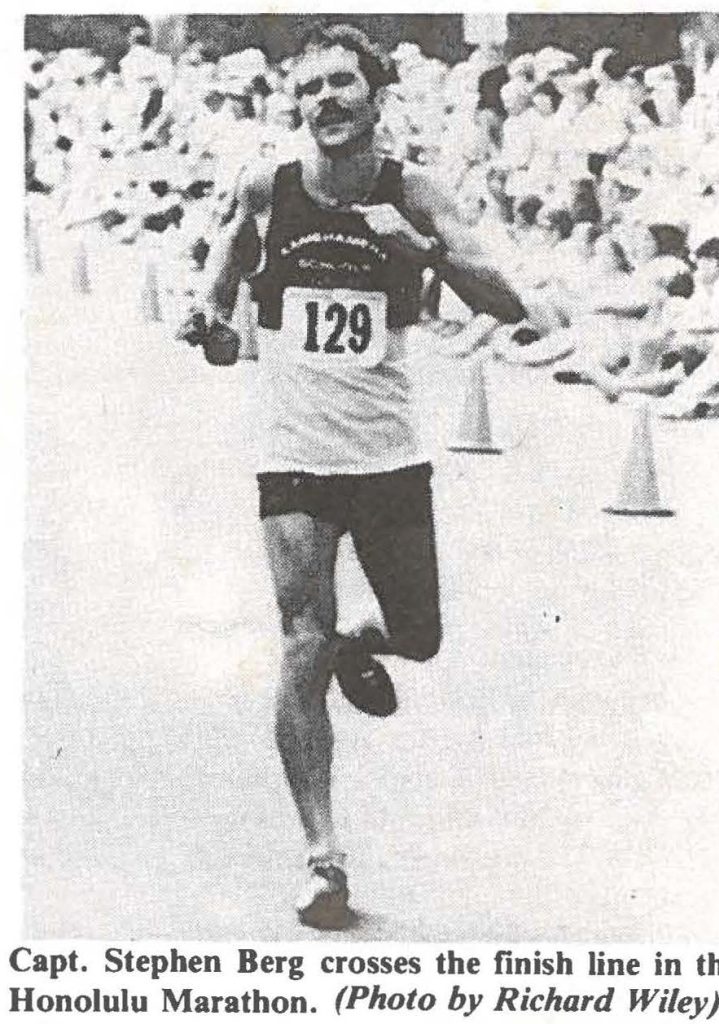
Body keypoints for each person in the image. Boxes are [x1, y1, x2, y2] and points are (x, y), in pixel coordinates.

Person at [182, 23, 526, 930]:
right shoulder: (269, 185)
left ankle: (351, 648)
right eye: (308, 90)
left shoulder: (414, 191)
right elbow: (225, 285)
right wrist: (212, 321)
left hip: (387, 457)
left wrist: (423, 251)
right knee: (298, 637)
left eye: (341, 85)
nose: (323, 101)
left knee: (418, 636)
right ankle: (324, 859)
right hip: (294, 455)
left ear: (377, 95)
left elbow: (512, 302)